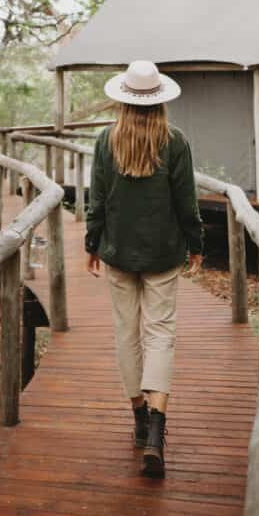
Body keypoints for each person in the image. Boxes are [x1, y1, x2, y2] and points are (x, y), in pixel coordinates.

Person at [85, 60, 203, 477]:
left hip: (118, 252)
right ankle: (156, 431)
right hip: (163, 254)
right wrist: (196, 243)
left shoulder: (105, 141)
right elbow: (187, 202)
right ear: (159, 101)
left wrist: (92, 242)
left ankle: (138, 419)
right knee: (160, 334)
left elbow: (96, 198)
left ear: (122, 100)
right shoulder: (175, 142)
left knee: (126, 335)